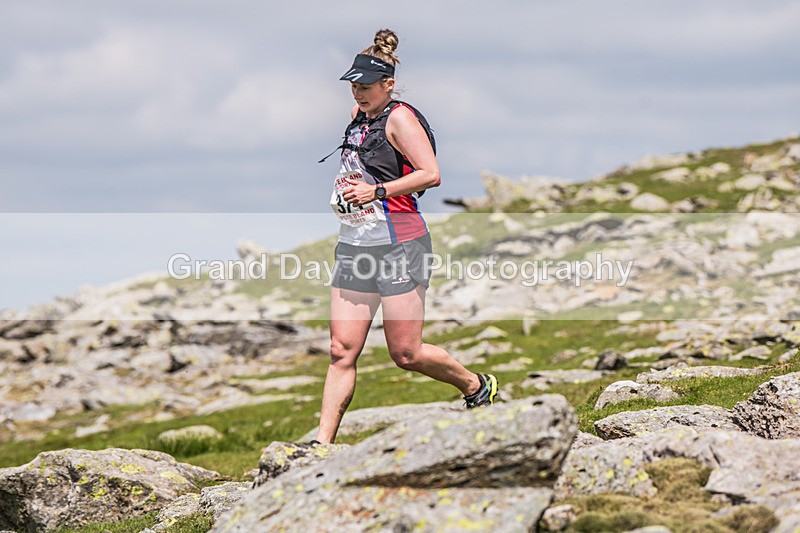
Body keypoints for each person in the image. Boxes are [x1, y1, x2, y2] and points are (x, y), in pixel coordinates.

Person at [313, 29, 498, 445]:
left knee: (406, 353)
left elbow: (430, 174)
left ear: (388, 85)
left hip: (401, 242)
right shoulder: (358, 120)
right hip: (356, 244)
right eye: (353, 87)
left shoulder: (400, 118)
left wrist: (376, 192)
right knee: (341, 350)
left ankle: (474, 385)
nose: (358, 94)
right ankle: (320, 446)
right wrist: (346, 196)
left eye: (365, 87)